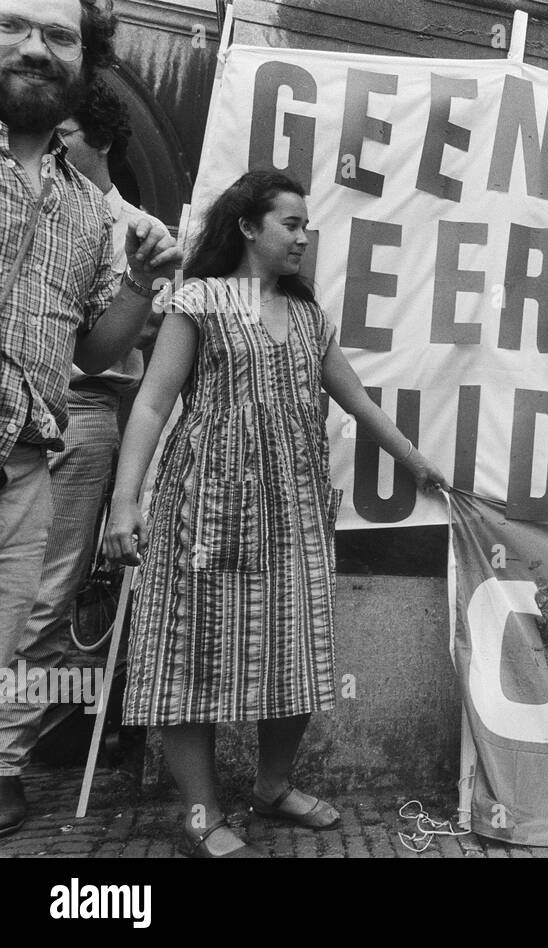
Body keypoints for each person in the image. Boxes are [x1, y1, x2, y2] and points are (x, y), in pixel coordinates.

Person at [104, 170, 445, 858]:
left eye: (306, 225)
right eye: (291, 223)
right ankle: (202, 812)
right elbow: (150, 402)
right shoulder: (198, 301)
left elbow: (358, 402)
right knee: (187, 659)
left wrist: (416, 461)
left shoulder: (311, 318)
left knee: (293, 656)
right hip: (202, 512)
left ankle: (272, 785)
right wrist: (123, 503)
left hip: (292, 514)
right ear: (248, 227)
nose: (303, 237)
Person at [0, 0, 180, 837]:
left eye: (59, 35)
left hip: (45, 438)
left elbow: (102, 352)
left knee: (27, 618)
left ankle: (4, 762)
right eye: (13, 27)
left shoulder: (88, 213)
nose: (36, 49)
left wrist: (142, 284)